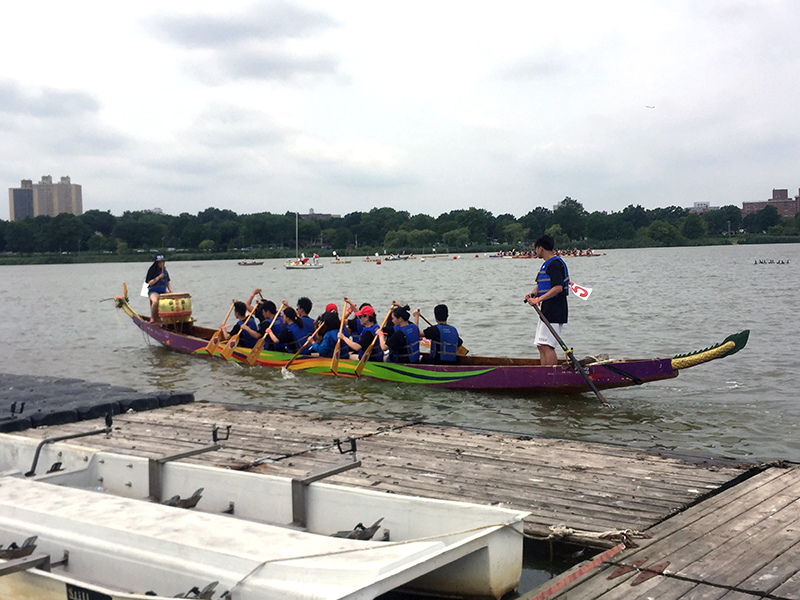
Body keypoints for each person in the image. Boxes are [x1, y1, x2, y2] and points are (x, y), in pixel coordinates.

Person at [524, 234, 569, 366]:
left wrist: (538, 300)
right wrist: (533, 294)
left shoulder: (555, 264)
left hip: (556, 308)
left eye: (536, 249)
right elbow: (542, 284)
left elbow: (558, 287)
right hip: (547, 308)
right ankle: (544, 373)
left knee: (547, 345)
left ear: (541, 248)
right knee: (540, 345)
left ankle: (551, 375)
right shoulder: (547, 265)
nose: (535, 252)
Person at [144, 254, 171, 322]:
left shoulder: (165, 271)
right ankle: (153, 318)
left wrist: (170, 290)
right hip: (154, 291)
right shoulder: (152, 270)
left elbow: (167, 282)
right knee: (155, 301)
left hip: (163, 291)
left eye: (162, 262)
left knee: (172, 300)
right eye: (160, 262)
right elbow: (149, 283)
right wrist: (158, 277)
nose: (161, 263)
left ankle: (168, 319)